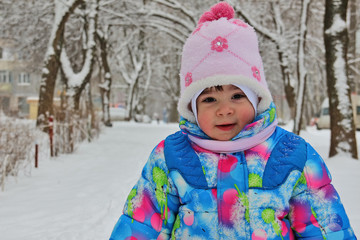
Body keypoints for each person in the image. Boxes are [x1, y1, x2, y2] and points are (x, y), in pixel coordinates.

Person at [109, 2, 356, 239]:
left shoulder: (292, 155)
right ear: (192, 108)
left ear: (256, 98)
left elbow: (324, 228)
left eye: (237, 95)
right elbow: (141, 224)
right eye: (209, 100)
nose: (225, 109)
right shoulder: (172, 157)